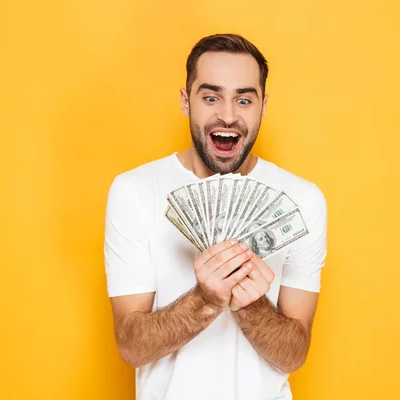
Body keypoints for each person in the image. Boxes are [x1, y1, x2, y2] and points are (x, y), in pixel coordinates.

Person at [104, 33, 327, 400]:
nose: (227, 115)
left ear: (263, 106)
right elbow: (131, 347)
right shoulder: (134, 191)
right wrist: (205, 300)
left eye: (243, 99)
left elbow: (294, 353)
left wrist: (252, 305)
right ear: (184, 101)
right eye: (211, 97)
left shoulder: (303, 200)